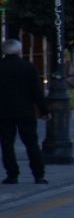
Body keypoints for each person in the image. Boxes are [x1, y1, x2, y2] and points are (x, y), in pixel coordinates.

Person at [0, 39, 49, 184]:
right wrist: (44, 110)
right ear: (19, 51)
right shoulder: (28, 67)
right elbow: (36, 92)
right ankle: (39, 174)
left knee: (7, 144)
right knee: (31, 143)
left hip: (3, 113)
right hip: (25, 112)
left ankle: (12, 174)